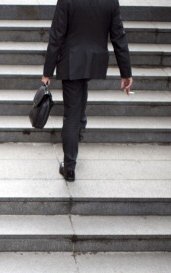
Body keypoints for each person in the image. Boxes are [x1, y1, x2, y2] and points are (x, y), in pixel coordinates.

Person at [42, 0, 133, 182]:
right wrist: (126, 72)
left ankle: (69, 168)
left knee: (72, 116)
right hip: (94, 60)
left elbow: (56, 35)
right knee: (78, 108)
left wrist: (47, 72)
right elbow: (118, 37)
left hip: (71, 60)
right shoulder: (111, 2)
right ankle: (77, 135)